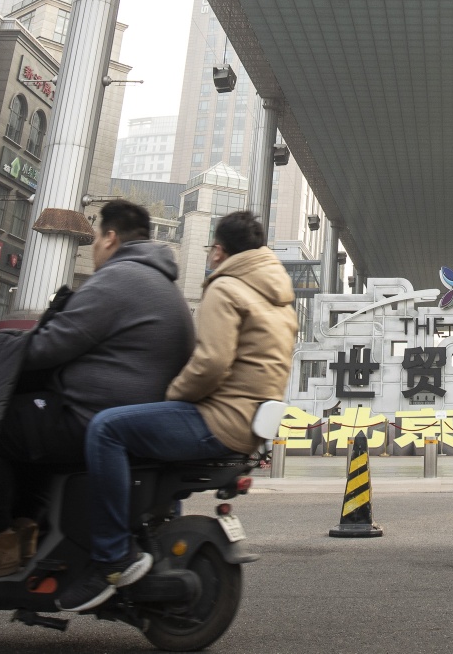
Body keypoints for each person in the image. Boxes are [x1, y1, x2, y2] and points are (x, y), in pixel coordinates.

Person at [0, 199, 193, 584]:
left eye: (95, 239)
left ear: (109, 237)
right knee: (29, 428)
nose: (93, 251)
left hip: (88, 415)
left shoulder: (120, 277)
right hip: (129, 416)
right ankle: (28, 527)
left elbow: (50, 345)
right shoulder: (164, 285)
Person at [58, 210, 296, 614]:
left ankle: (114, 557)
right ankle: (155, 539)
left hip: (220, 418)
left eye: (209, 249)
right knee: (151, 450)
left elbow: (212, 363)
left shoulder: (227, 287)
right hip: (250, 421)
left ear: (218, 251)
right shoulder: (279, 297)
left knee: (106, 430)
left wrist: (172, 395)